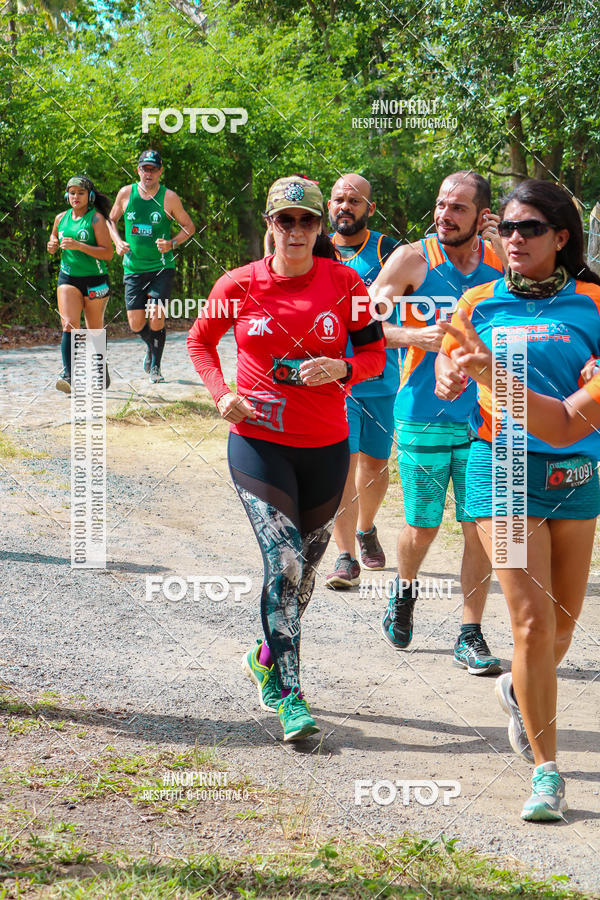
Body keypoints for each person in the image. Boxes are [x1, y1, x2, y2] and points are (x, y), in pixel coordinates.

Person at [187, 175, 386, 741]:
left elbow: (372, 352)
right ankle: (292, 696)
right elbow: (200, 342)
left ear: (320, 227)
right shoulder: (237, 283)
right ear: (270, 224)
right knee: (286, 562)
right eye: (285, 220)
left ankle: (265, 656)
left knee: (304, 577)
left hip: (326, 447)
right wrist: (221, 393)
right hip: (258, 444)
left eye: (308, 220)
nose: (296, 230)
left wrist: (344, 367)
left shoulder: (345, 283)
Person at [436, 178, 600, 822]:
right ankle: (547, 773)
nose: (512, 239)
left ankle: (516, 690)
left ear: (561, 237)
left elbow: (564, 424)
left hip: (577, 473)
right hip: (500, 468)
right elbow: (451, 370)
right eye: (502, 228)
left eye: (529, 228)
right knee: (530, 624)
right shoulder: (477, 301)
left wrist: (486, 373)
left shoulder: (594, 304)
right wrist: (454, 373)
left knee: (560, 629)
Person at [371, 171, 504, 675]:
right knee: (423, 527)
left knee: (481, 527)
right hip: (422, 413)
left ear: (481, 214)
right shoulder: (412, 258)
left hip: (486, 417)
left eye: (458, 208)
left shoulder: (499, 261)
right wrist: (413, 337)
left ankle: (470, 633)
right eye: (441, 205)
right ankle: (403, 592)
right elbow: (362, 321)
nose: (444, 215)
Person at [324, 173, 401, 589]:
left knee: (374, 464)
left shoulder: (390, 251)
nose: (344, 207)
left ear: (369, 208)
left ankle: (366, 528)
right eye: (338, 199)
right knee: (342, 465)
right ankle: (344, 556)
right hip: (333, 381)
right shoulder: (316, 251)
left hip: (381, 376)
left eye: (354, 201)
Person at [107, 150, 195, 383]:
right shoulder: (126, 194)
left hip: (161, 267)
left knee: (156, 317)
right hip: (133, 267)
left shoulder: (169, 198)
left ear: (160, 172)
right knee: (136, 323)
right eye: (145, 168)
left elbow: (189, 227)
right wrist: (117, 242)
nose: (148, 173)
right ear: (138, 170)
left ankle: (156, 366)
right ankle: (152, 347)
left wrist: (172, 243)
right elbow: (110, 220)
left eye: (153, 169)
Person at [47, 175, 113, 393]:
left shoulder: (96, 220)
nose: (76, 197)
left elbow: (108, 253)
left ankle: (100, 367)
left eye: (81, 193)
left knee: (94, 328)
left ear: (90, 196)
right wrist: (53, 245)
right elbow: (53, 240)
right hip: (68, 278)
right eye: (72, 192)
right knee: (69, 325)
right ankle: (68, 375)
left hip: (95, 279)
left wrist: (79, 245)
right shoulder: (60, 218)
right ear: (67, 195)